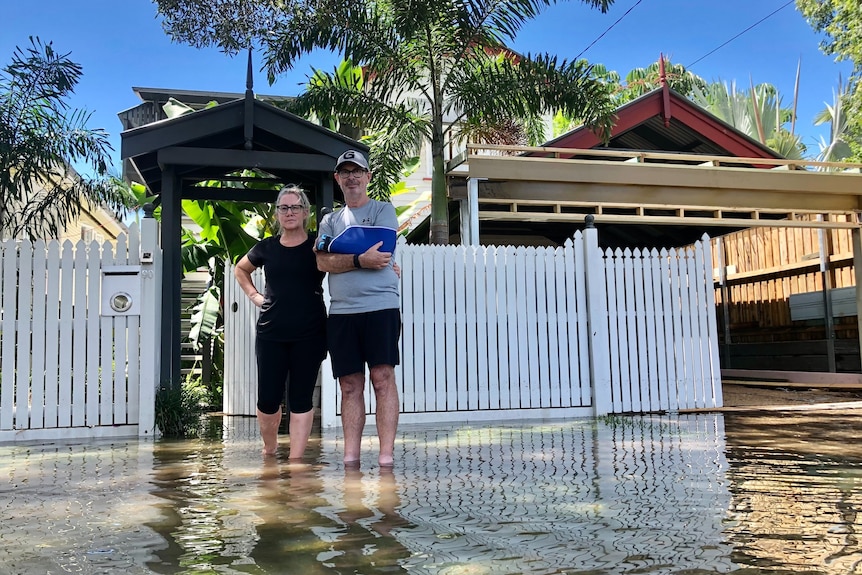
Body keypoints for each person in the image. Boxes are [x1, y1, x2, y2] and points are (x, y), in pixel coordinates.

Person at [316, 150, 401, 467]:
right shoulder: (329, 220)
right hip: (341, 313)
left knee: (382, 378)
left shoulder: (383, 210)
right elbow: (321, 261)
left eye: (357, 171)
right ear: (337, 179)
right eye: (345, 172)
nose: (351, 176)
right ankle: (351, 458)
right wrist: (358, 259)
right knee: (349, 385)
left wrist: (342, 254)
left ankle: (385, 457)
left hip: (381, 308)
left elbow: (382, 254)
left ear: (368, 177)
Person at [234, 185, 326, 459]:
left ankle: (296, 462)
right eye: (284, 208)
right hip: (271, 333)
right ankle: (270, 449)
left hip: (310, 333)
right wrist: (254, 295)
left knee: (301, 398)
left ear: (306, 213)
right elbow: (241, 268)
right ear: (276, 214)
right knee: (268, 398)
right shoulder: (267, 247)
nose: (289, 212)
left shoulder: (317, 246)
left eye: (295, 207)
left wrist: (387, 265)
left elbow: (346, 262)